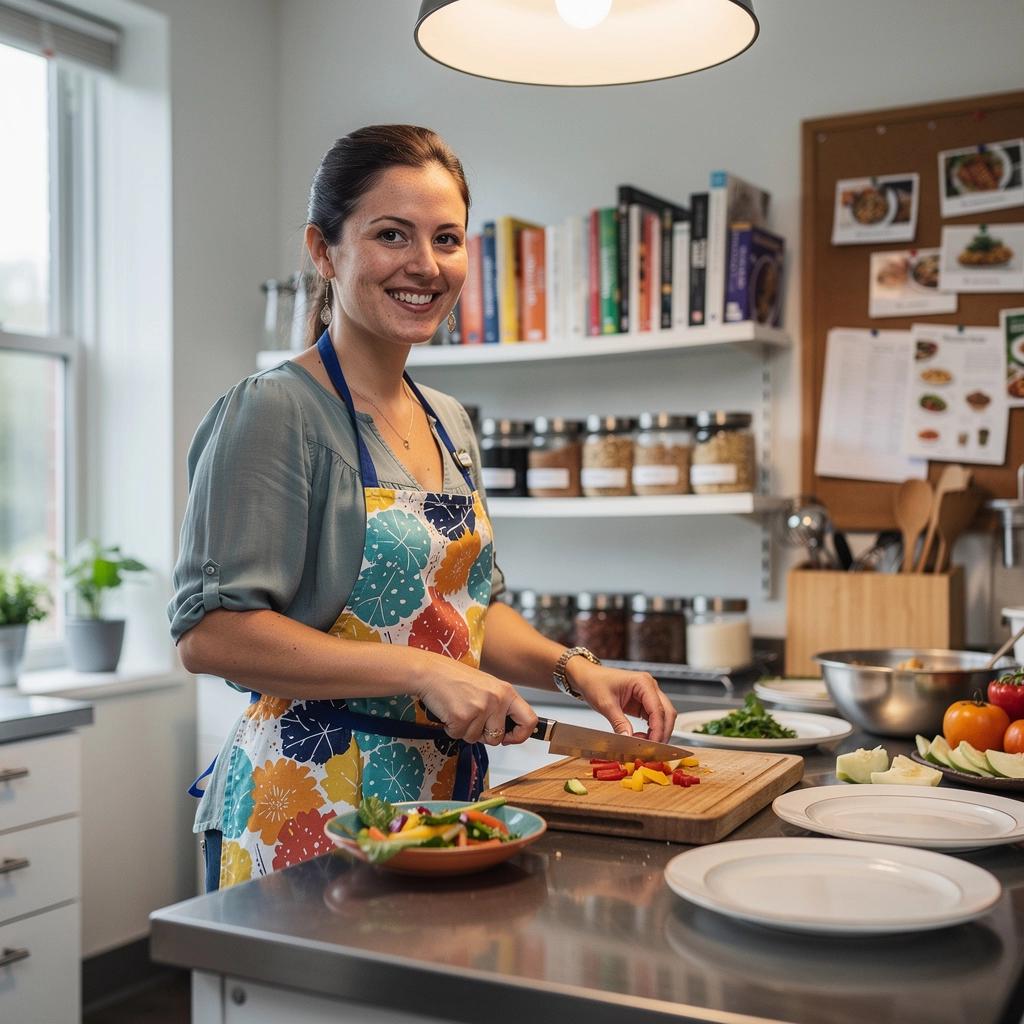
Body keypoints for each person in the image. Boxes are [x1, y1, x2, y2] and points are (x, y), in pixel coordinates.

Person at [168, 124, 677, 891]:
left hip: (443, 801)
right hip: (310, 803)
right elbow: (210, 635)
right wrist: (419, 674)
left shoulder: (448, 419)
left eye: (446, 238)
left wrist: (577, 671)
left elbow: (462, 615)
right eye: (391, 235)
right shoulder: (274, 412)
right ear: (322, 250)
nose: (425, 265)